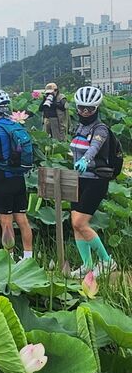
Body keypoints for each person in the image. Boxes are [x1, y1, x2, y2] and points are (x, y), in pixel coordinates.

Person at [69, 86, 116, 276]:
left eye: (90, 108)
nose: (85, 112)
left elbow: (94, 147)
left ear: (96, 109)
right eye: (81, 108)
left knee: (81, 223)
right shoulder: (79, 127)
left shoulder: (100, 129)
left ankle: (107, 261)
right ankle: (87, 265)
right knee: (75, 224)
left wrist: (85, 160)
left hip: (96, 180)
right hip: (78, 179)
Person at [0, 89, 34, 259]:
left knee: (6, 221)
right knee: (22, 219)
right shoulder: (16, 126)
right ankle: (28, 257)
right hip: (19, 179)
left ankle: (9, 258)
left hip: (4, 179)